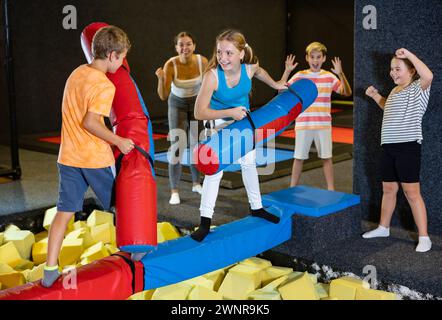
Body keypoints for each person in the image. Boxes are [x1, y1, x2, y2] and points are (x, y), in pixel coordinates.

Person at [42, 26, 134, 287]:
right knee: (122, 205)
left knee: (64, 212)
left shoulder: (77, 72)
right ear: (113, 55)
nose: (123, 62)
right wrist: (120, 141)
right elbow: (91, 122)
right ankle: (134, 252)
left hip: (68, 156)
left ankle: (50, 270)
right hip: (94, 159)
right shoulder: (104, 85)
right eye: (123, 57)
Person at [190, 29, 294, 242]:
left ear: (241, 54)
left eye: (228, 53)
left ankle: (257, 208)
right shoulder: (212, 76)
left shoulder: (248, 69)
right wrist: (229, 113)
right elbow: (199, 112)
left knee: (249, 164)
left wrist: (275, 84)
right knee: (214, 172)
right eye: (219, 52)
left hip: (244, 123)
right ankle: (205, 222)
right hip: (218, 123)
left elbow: (259, 71)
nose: (222, 57)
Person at [362, 48, 433, 253]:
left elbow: (429, 75)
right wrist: (376, 96)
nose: (393, 73)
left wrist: (409, 55)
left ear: (411, 71)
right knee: (388, 190)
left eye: (398, 69)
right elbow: (388, 106)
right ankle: (383, 227)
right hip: (388, 148)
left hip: (408, 148)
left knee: (412, 193)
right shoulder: (394, 91)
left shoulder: (418, 89)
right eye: (392, 69)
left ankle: (424, 237)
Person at [288, 42, 352, 190]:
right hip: (303, 124)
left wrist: (340, 73)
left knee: (327, 158)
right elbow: (281, 92)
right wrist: (287, 71)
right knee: (298, 158)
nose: (315, 60)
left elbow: (346, 92)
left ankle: (331, 189)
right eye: (312, 57)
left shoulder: (329, 77)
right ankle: (291, 189)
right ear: (307, 58)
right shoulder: (300, 76)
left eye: (318, 57)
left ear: (323, 59)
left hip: (323, 124)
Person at [156, 32, 208, 205]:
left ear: (194, 46)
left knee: (196, 145)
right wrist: (161, 79)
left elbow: (210, 86)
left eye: (188, 44)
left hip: (195, 104)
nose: (185, 48)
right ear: (176, 47)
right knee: (177, 146)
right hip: (176, 104)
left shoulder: (203, 62)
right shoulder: (171, 65)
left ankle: (196, 183)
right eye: (181, 45)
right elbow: (163, 96)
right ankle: (174, 191)